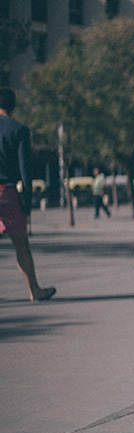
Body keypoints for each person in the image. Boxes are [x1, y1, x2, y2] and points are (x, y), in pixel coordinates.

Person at [0, 87, 56, 302]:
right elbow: (26, 170)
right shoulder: (19, 129)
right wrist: (27, 200)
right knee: (21, 244)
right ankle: (35, 290)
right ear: (13, 106)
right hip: (6, 192)